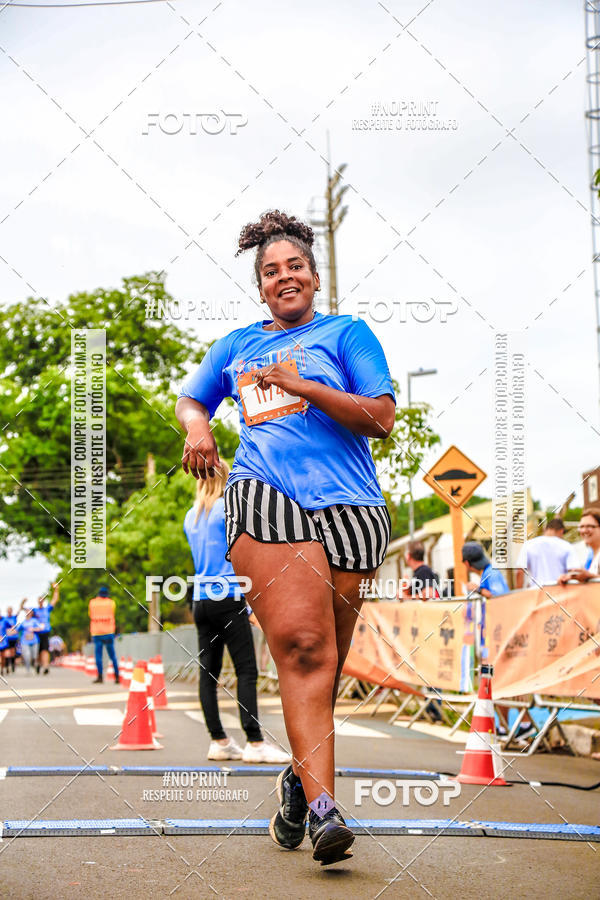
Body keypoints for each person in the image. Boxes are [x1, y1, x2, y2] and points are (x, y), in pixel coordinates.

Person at [176, 210, 395, 866]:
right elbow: (193, 398)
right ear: (261, 286)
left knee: (322, 667)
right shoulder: (237, 346)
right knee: (302, 649)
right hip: (263, 497)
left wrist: (303, 384)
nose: (284, 276)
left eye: (294, 266)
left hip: (352, 509)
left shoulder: (347, 334)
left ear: (315, 276)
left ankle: (299, 785)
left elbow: (380, 417)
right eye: (271, 271)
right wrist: (199, 426)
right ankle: (327, 812)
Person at [184, 459, 290, 765]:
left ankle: (219, 740)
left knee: (209, 672)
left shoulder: (190, 518)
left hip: (200, 601)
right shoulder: (227, 511)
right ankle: (255, 742)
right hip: (228, 598)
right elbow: (243, 557)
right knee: (246, 670)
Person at [515, 517, 579, 588]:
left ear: (545, 529)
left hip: (535, 592)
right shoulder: (567, 546)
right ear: (561, 531)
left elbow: (520, 571)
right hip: (559, 592)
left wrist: (518, 593)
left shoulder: (528, 544)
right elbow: (573, 571)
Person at [88, 585, 120, 684]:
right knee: (112, 655)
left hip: (96, 632)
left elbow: (90, 614)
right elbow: (113, 613)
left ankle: (100, 677)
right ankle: (117, 677)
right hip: (109, 632)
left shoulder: (92, 603)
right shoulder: (111, 603)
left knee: (98, 656)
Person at [558, 509, 600, 583]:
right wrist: (571, 578)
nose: (584, 530)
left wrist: (590, 577)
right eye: (581, 527)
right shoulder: (591, 554)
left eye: (589, 526)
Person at [33, 583, 59, 675]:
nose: (40, 601)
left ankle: (46, 666)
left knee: (45, 650)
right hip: (36, 633)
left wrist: (56, 589)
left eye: (42, 599)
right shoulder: (35, 610)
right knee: (39, 651)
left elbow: (54, 600)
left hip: (45, 632)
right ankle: (38, 664)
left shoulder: (46, 609)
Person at [18, 610, 39, 675]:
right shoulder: (23, 622)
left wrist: (33, 629)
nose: (28, 613)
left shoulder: (34, 621)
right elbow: (17, 629)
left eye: (29, 612)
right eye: (26, 612)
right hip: (24, 641)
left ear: (31, 613)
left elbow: (40, 628)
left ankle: (34, 665)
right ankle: (28, 670)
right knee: (27, 656)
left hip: (34, 640)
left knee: (34, 656)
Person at [1, 607, 19, 673]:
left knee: (10, 653)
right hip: (6, 639)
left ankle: (10, 665)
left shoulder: (8, 619)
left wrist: (14, 631)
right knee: (6, 654)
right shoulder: (5, 618)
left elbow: (12, 627)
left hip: (9, 639)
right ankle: (5, 666)